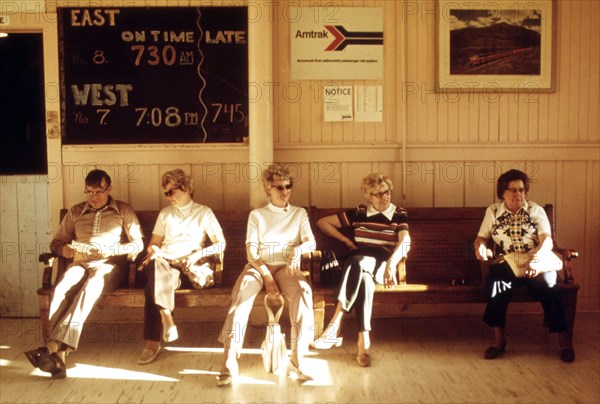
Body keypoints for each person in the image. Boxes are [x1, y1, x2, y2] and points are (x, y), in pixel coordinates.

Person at [25, 169, 144, 378]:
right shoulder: (76, 211)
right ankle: (58, 356)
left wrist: (112, 250)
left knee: (91, 287)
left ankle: (51, 346)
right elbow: (56, 242)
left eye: (98, 192)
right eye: (89, 192)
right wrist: (63, 250)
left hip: (109, 265)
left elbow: (138, 244)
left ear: (109, 189)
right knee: (62, 287)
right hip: (80, 263)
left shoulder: (123, 210)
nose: (93, 197)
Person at [217, 164, 316, 386]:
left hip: (286, 267)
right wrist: (267, 277)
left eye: (288, 186)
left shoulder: (299, 213)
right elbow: (251, 251)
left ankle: (297, 359)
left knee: (303, 292)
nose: (285, 191)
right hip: (259, 266)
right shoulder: (257, 215)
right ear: (268, 189)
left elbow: (310, 241)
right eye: (279, 187)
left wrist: (298, 251)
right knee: (241, 297)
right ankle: (229, 361)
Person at [474, 169, 575, 363]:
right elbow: (481, 238)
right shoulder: (493, 211)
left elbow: (546, 241)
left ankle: (564, 340)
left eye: (521, 190)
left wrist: (536, 260)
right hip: (507, 260)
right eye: (512, 190)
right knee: (496, 285)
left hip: (535, 257)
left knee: (549, 285)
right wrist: (480, 248)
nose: (517, 194)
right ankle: (499, 339)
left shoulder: (536, 210)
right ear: (502, 192)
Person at [311, 173, 410, 367]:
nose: (384, 197)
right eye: (378, 194)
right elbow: (322, 223)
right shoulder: (359, 212)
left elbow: (405, 241)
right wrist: (346, 241)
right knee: (363, 279)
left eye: (387, 192)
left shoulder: (398, 213)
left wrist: (391, 264)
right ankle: (363, 343)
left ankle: (336, 322)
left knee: (357, 262)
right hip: (359, 264)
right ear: (368, 196)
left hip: (382, 264)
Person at [137, 169, 226, 365]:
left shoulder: (204, 213)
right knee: (155, 264)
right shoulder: (165, 214)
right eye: (165, 193)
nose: (168, 197)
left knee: (151, 287)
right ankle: (166, 316)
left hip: (189, 265)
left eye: (171, 192)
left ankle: (152, 343)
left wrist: (197, 255)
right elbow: (154, 244)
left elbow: (221, 244)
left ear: (186, 188)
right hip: (166, 264)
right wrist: (155, 250)